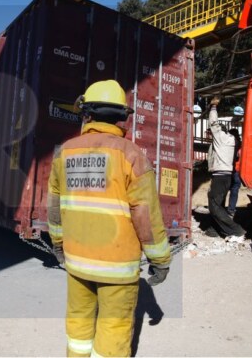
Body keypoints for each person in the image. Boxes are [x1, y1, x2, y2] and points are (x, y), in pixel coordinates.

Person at [47, 80, 171, 357]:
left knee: (78, 327)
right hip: (117, 267)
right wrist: (160, 260)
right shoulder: (132, 155)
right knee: (113, 332)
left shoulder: (64, 152)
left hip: (77, 261)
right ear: (121, 118)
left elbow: (54, 206)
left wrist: (58, 244)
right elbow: (145, 215)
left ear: (86, 114)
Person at [206, 97, 246, 238]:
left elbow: (213, 123)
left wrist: (213, 107)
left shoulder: (220, 137)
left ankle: (236, 230)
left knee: (214, 205)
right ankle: (214, 229)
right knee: (218, 204)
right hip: (226, 175)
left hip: (220, 175)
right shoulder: (232, 141)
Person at [227, 128, 242, 217]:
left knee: (225, 189)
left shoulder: (228, 144)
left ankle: (221, 208)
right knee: (235, 189)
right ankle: (231, 209)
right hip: (237, 170)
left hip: (228, 169)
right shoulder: (240, 145)